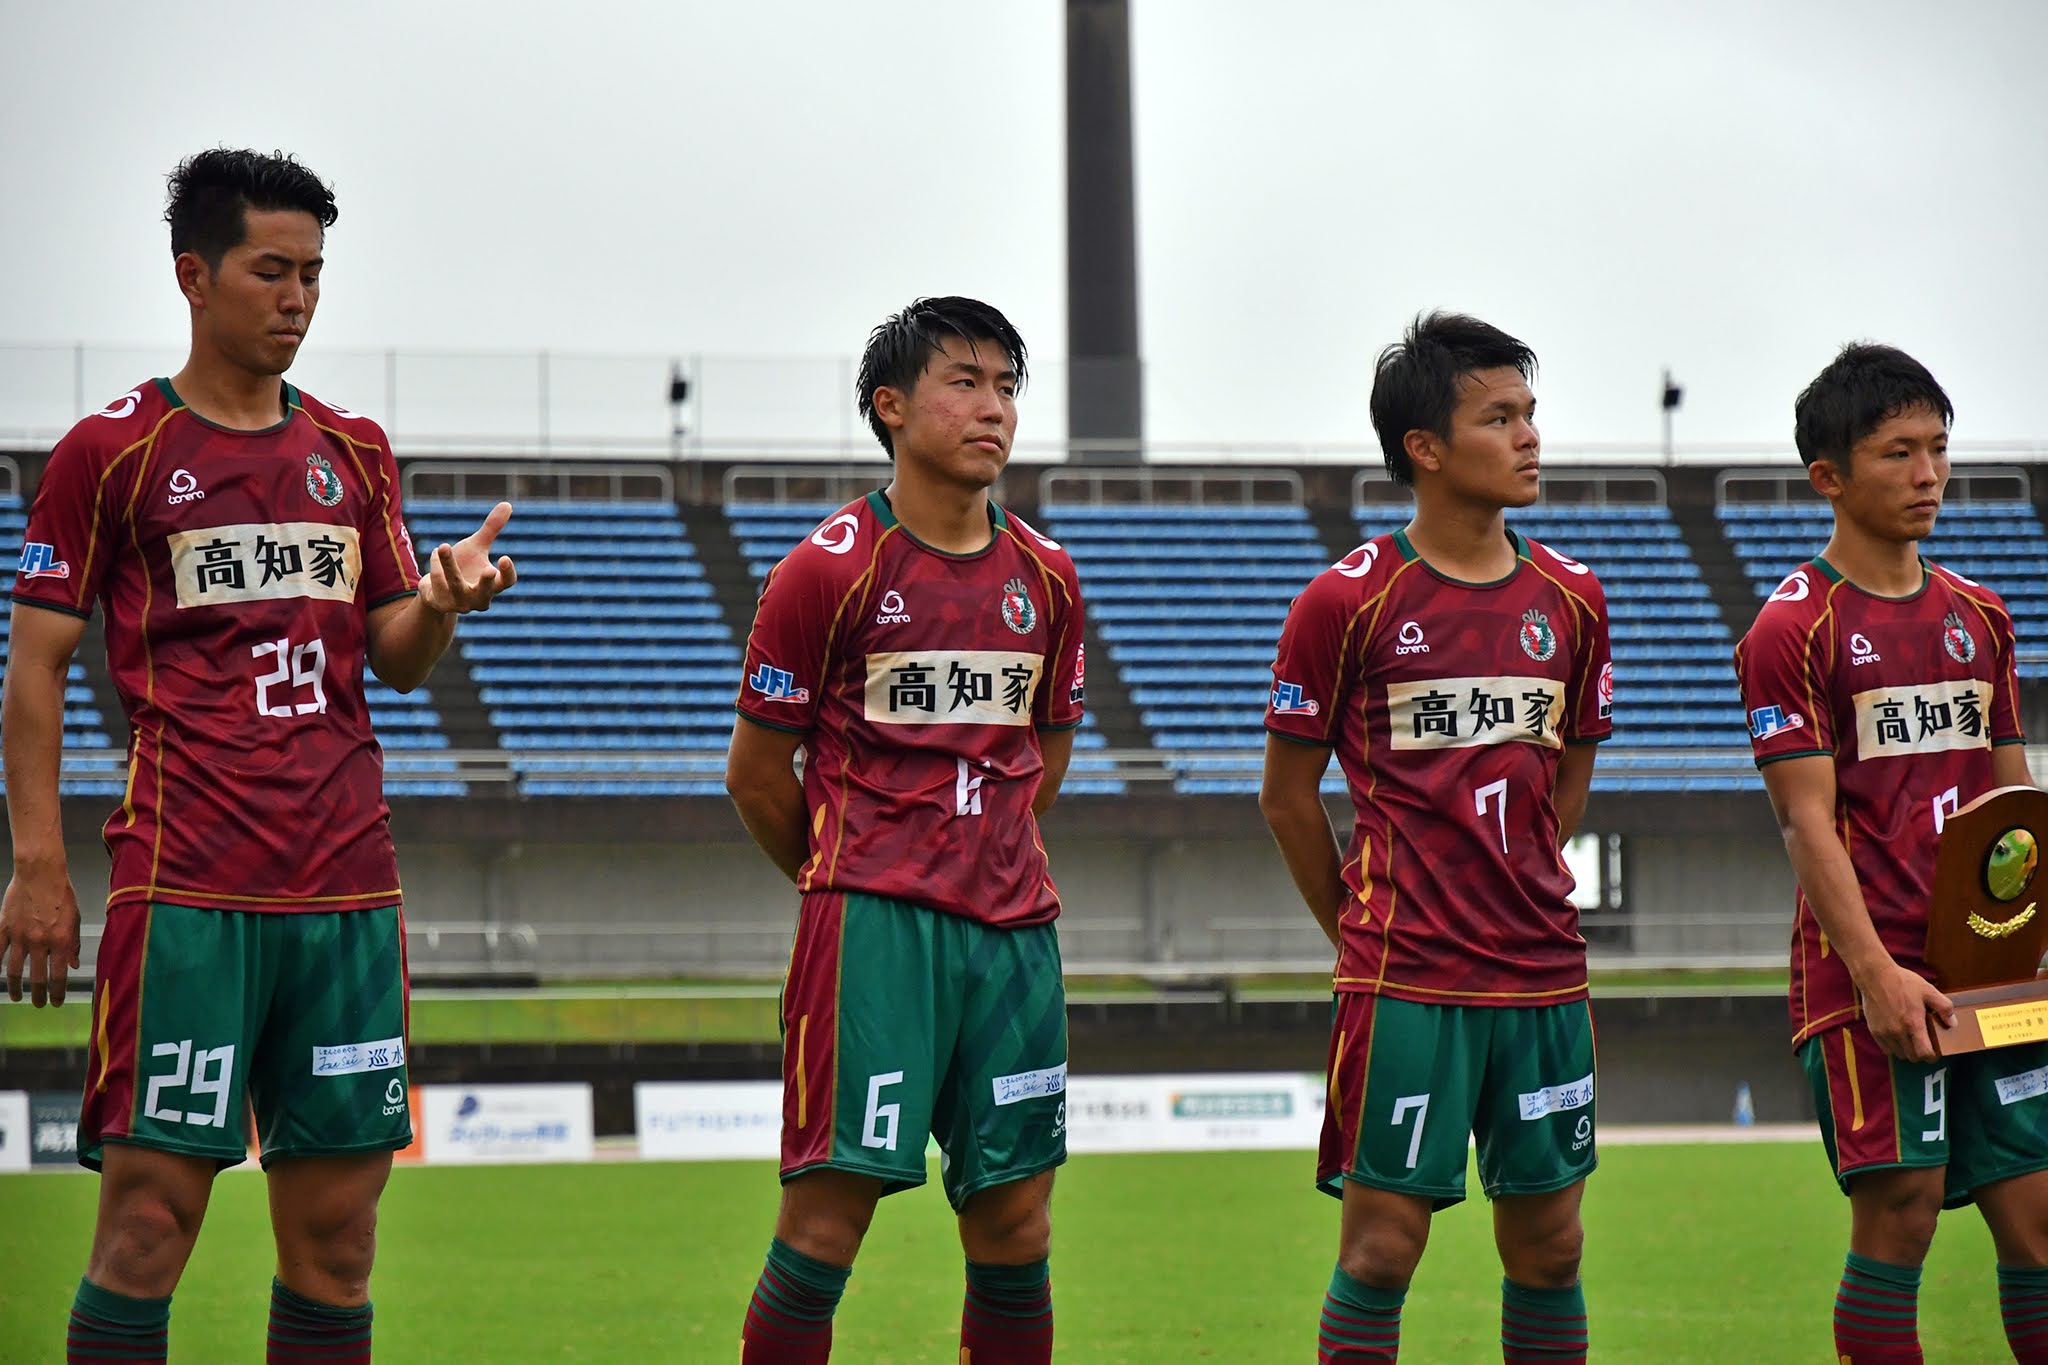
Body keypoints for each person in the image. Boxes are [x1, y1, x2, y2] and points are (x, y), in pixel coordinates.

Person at [0, 148, 515, 1365]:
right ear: (194, 274)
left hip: (345, 894)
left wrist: (440, 602)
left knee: (337, 1244)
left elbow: (395, 657)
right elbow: (34, 669)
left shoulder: (354, 451)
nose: (297, 299)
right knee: (147, 1227)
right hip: (186, 891)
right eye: (270, 271)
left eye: (313, 275)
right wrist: (38, 864)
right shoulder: (110, 453)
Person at [725, 296, 1084, 1364]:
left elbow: (1043, 756)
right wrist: (848, 876)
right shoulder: (827, 569)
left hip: (1013, 936)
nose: (993, 408)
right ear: (890, 406)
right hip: (873, 932)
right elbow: (755, 775)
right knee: (825, 1224)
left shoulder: (1046, 575)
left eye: (1006, 387)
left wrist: (984, 855)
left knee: (1017, 1226)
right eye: (963, 383)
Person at [1261, 312, 1611, 1364]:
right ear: (1424, 447)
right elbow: (1286, 798)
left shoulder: (1572, 597)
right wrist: (1358, 933)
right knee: (1380, 1250)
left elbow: (1568, 775)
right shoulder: (1345, 601)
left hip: (1541, 975)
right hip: (1405, 979)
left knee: (1551, 1249)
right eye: (1498, 418)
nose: (1528, 436)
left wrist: (1514, 886)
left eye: (1529, 414)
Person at [1734, 343, 2048, 1364]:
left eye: (1938, 448)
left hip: (1991, 965)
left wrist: (2033, 940)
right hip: (1868, 971)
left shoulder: (1979, 617)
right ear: (1827, 476)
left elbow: (2011, 807)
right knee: (1903, 1212)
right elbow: (1804, 822)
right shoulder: (1791, 629)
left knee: (2039, 1222)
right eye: (1897, 452)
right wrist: (1875, 973)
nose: (1928, 474)